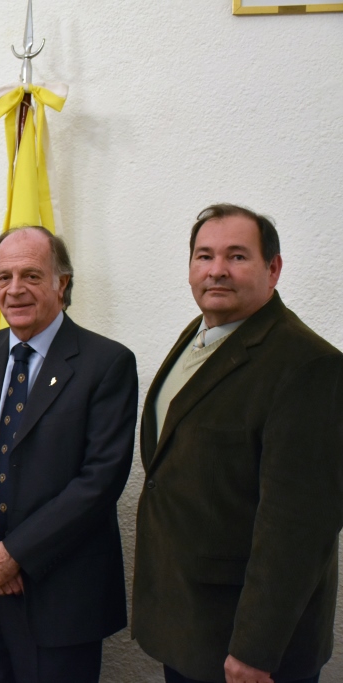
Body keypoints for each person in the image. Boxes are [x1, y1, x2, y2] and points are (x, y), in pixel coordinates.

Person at [133, 204, 343, 683]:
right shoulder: (204, 333)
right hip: (191, 626)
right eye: (204, 256)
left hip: (245, 648)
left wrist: (255, 651)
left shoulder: (308, 366)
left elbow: (298, 528)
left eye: (237, 256)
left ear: (273, 268)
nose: (217, 270)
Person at [0, 226, 138, 682]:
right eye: (3, 277)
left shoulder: (107, 363)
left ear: (60, 283)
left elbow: (100, 479)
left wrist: (15, 554)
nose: (15, 289)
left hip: (61, 595)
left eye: (31, 275)